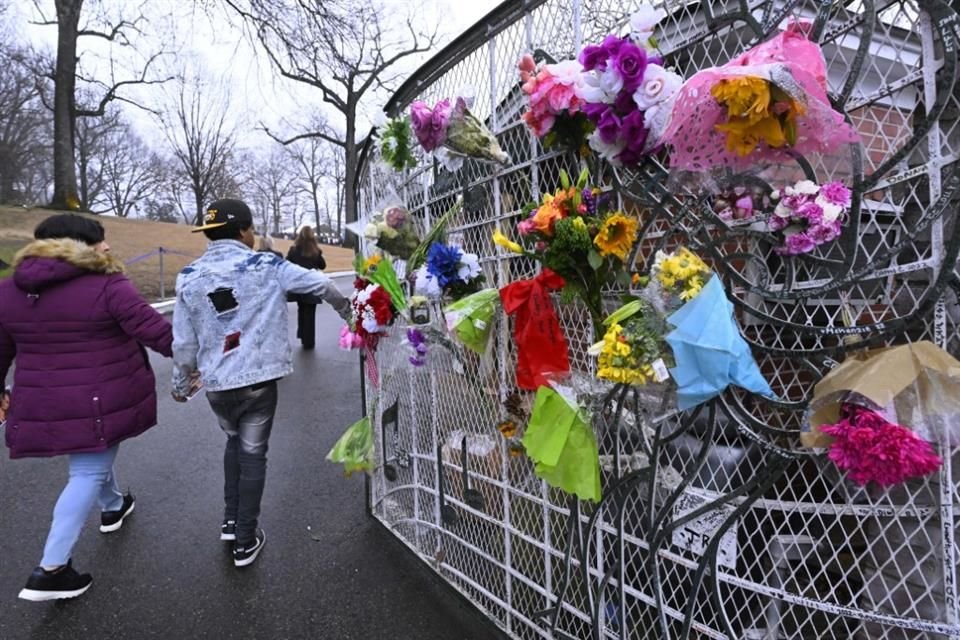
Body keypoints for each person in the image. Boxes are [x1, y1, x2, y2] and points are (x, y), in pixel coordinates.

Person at [0, 214, 174, 601]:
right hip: (97, 397)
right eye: (99, 241)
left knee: (91, 456)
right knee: (87, 471)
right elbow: (156, 331)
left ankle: (113, 506)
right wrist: (198, 361)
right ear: (76, 246)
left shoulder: (7, 291)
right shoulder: (107, 285)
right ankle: (51, 568)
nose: (107, 247)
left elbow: (1, 350)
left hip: (42, 399)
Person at [171, 199, 350, 568]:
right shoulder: (267, 265)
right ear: (243, 230)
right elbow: (320, 285)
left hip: (217, 384)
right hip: (257, 381)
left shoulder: (189, 275)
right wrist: (349, 312)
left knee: (233, 441)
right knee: (253, 454)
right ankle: (245, 540)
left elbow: (183, 343)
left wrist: (181, 382)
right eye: (251, 229)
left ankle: (231, 520)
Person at [285, 226, 327, 349]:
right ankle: (309, 340)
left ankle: (303, 336)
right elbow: (323, 266)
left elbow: (287, 264)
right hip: (313, 286)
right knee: (310, 313)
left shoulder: (294, 250)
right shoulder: (316, 251)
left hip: (299, 286)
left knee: (301, 310)